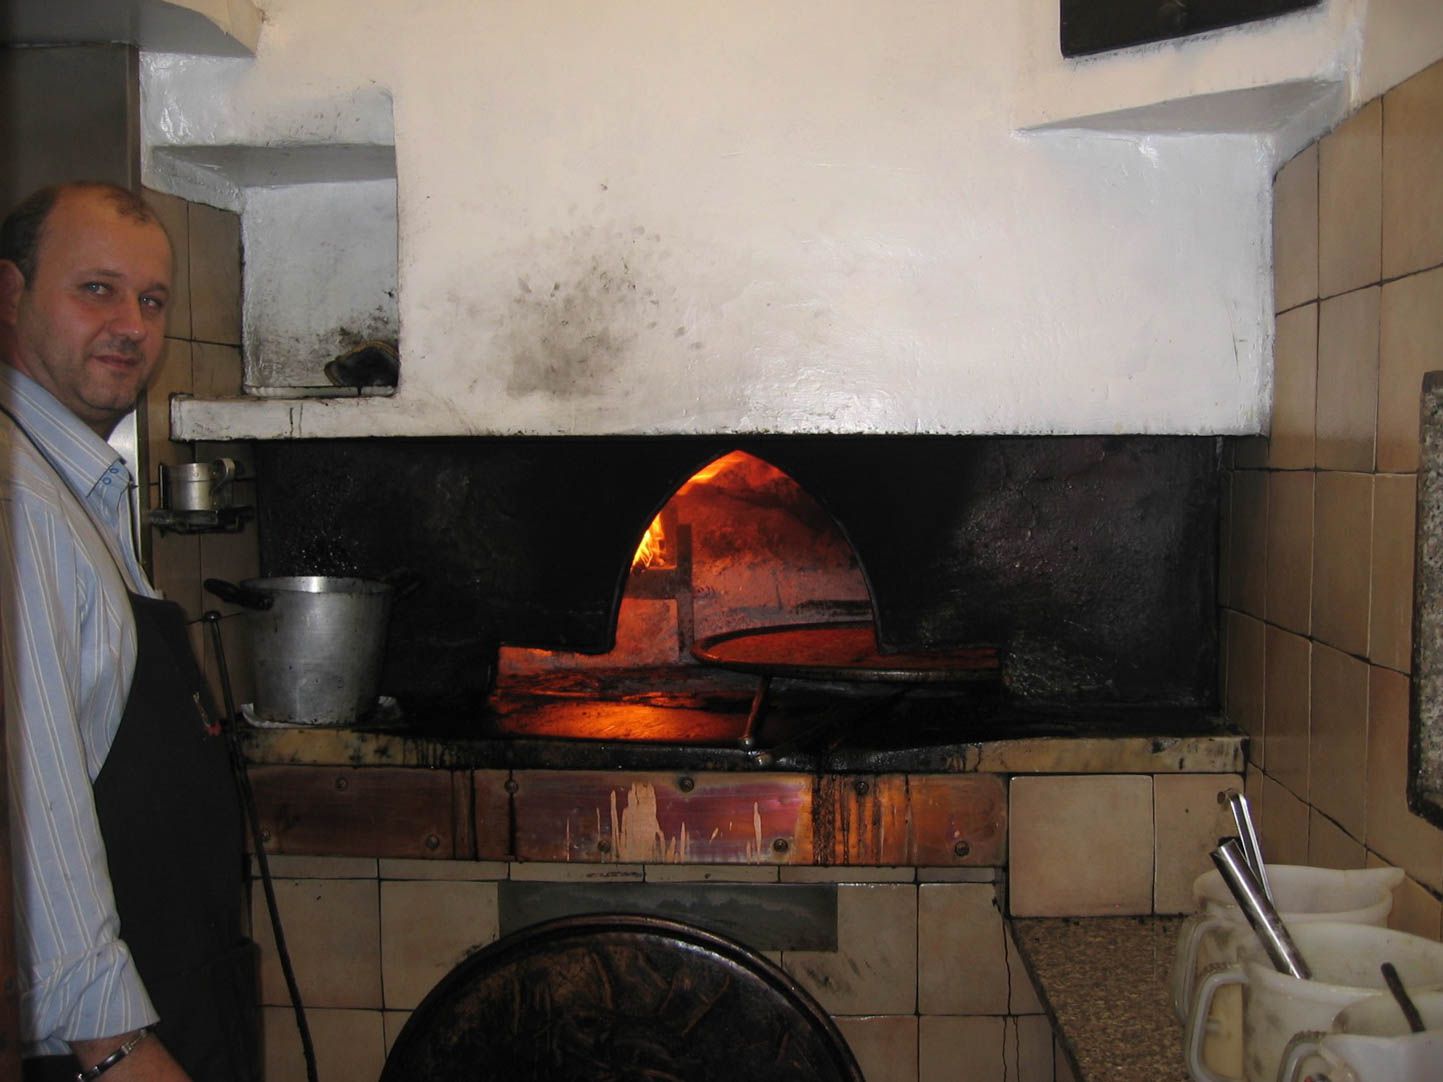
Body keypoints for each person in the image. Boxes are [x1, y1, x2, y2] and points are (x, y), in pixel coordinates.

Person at [0, 182, 256, 1082]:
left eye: (150, 301)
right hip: (107, 1052)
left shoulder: (78, 483)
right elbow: (33, 814)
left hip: (168, 1002)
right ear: (10, 296)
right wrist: (112, 1046)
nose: (132, 326)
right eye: (95, 290)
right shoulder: (19, 504)